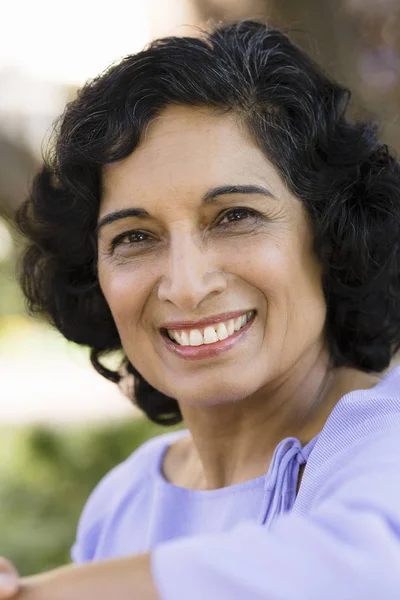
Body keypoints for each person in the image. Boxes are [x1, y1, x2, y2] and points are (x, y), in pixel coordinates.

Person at [2, 19, 400, 600]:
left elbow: (360, 568)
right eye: (133, 237)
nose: (186, 287)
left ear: (332, 236)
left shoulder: (383, 442)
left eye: (235, 216)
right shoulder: (127, 501)